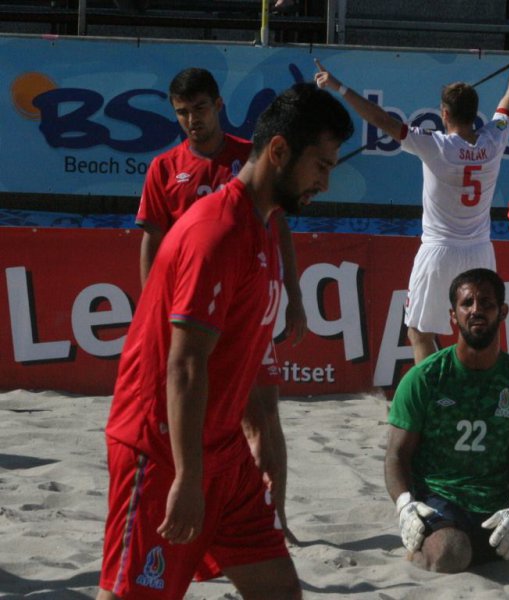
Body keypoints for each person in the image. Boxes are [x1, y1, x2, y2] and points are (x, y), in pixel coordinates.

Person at [97, 83, 354, 599]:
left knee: (280, 590)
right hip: (163, 448)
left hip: (223, 451)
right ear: (278, 151)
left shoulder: (262, 223)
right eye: (320, 166)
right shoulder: (216, 233)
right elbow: (185, 367)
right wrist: (188, 477)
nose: (325, 183)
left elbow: (235, 360)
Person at [136, 67, 304, 540]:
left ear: (219, 106)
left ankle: (277, 519)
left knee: (263, 415)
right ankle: (197, 513)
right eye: (183, 113)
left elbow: (281, 227)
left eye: (201, 109)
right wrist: (154, 308)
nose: (193, 120)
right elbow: (153, 242)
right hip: (191, 313)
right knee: (188, 413)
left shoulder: (246, 160)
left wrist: (293, 296)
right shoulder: (164, 169)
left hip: (248, 307)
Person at [314, 19, 509, 364]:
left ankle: (433, 404)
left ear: (444, 113)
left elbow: (381, 120)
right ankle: (476, 398)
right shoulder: (495, 138)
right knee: (477, 333)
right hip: (480, 251)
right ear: (476, 114)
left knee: (418, 332)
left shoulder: (434, 145)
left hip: (439, 251)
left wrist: (338, 86)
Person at [383, 268, 509, 574]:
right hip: (441, 500)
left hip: (499, 508)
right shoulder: (424, 378)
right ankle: (428, 546)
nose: (476, 310)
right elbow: (396, 455)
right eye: (467, 303)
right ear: (453, 315)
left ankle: (497, 546)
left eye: (486, 302)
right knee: (451, 553)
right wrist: (404, 505)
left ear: (502, 311)